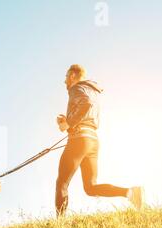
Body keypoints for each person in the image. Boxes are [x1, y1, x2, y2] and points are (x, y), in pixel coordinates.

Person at [55, 64, 144, 217]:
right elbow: (87, 109)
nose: (65, 82)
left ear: (72, 75)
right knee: (90, 187)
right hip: (92, 141)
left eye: (65, 78)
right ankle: (130, 193)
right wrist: (68, 121)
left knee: (62, 183)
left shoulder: (76, 89)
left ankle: (59, 223)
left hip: (79, 139)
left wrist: (68, 123)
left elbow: (86, 104)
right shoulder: (91, 90)